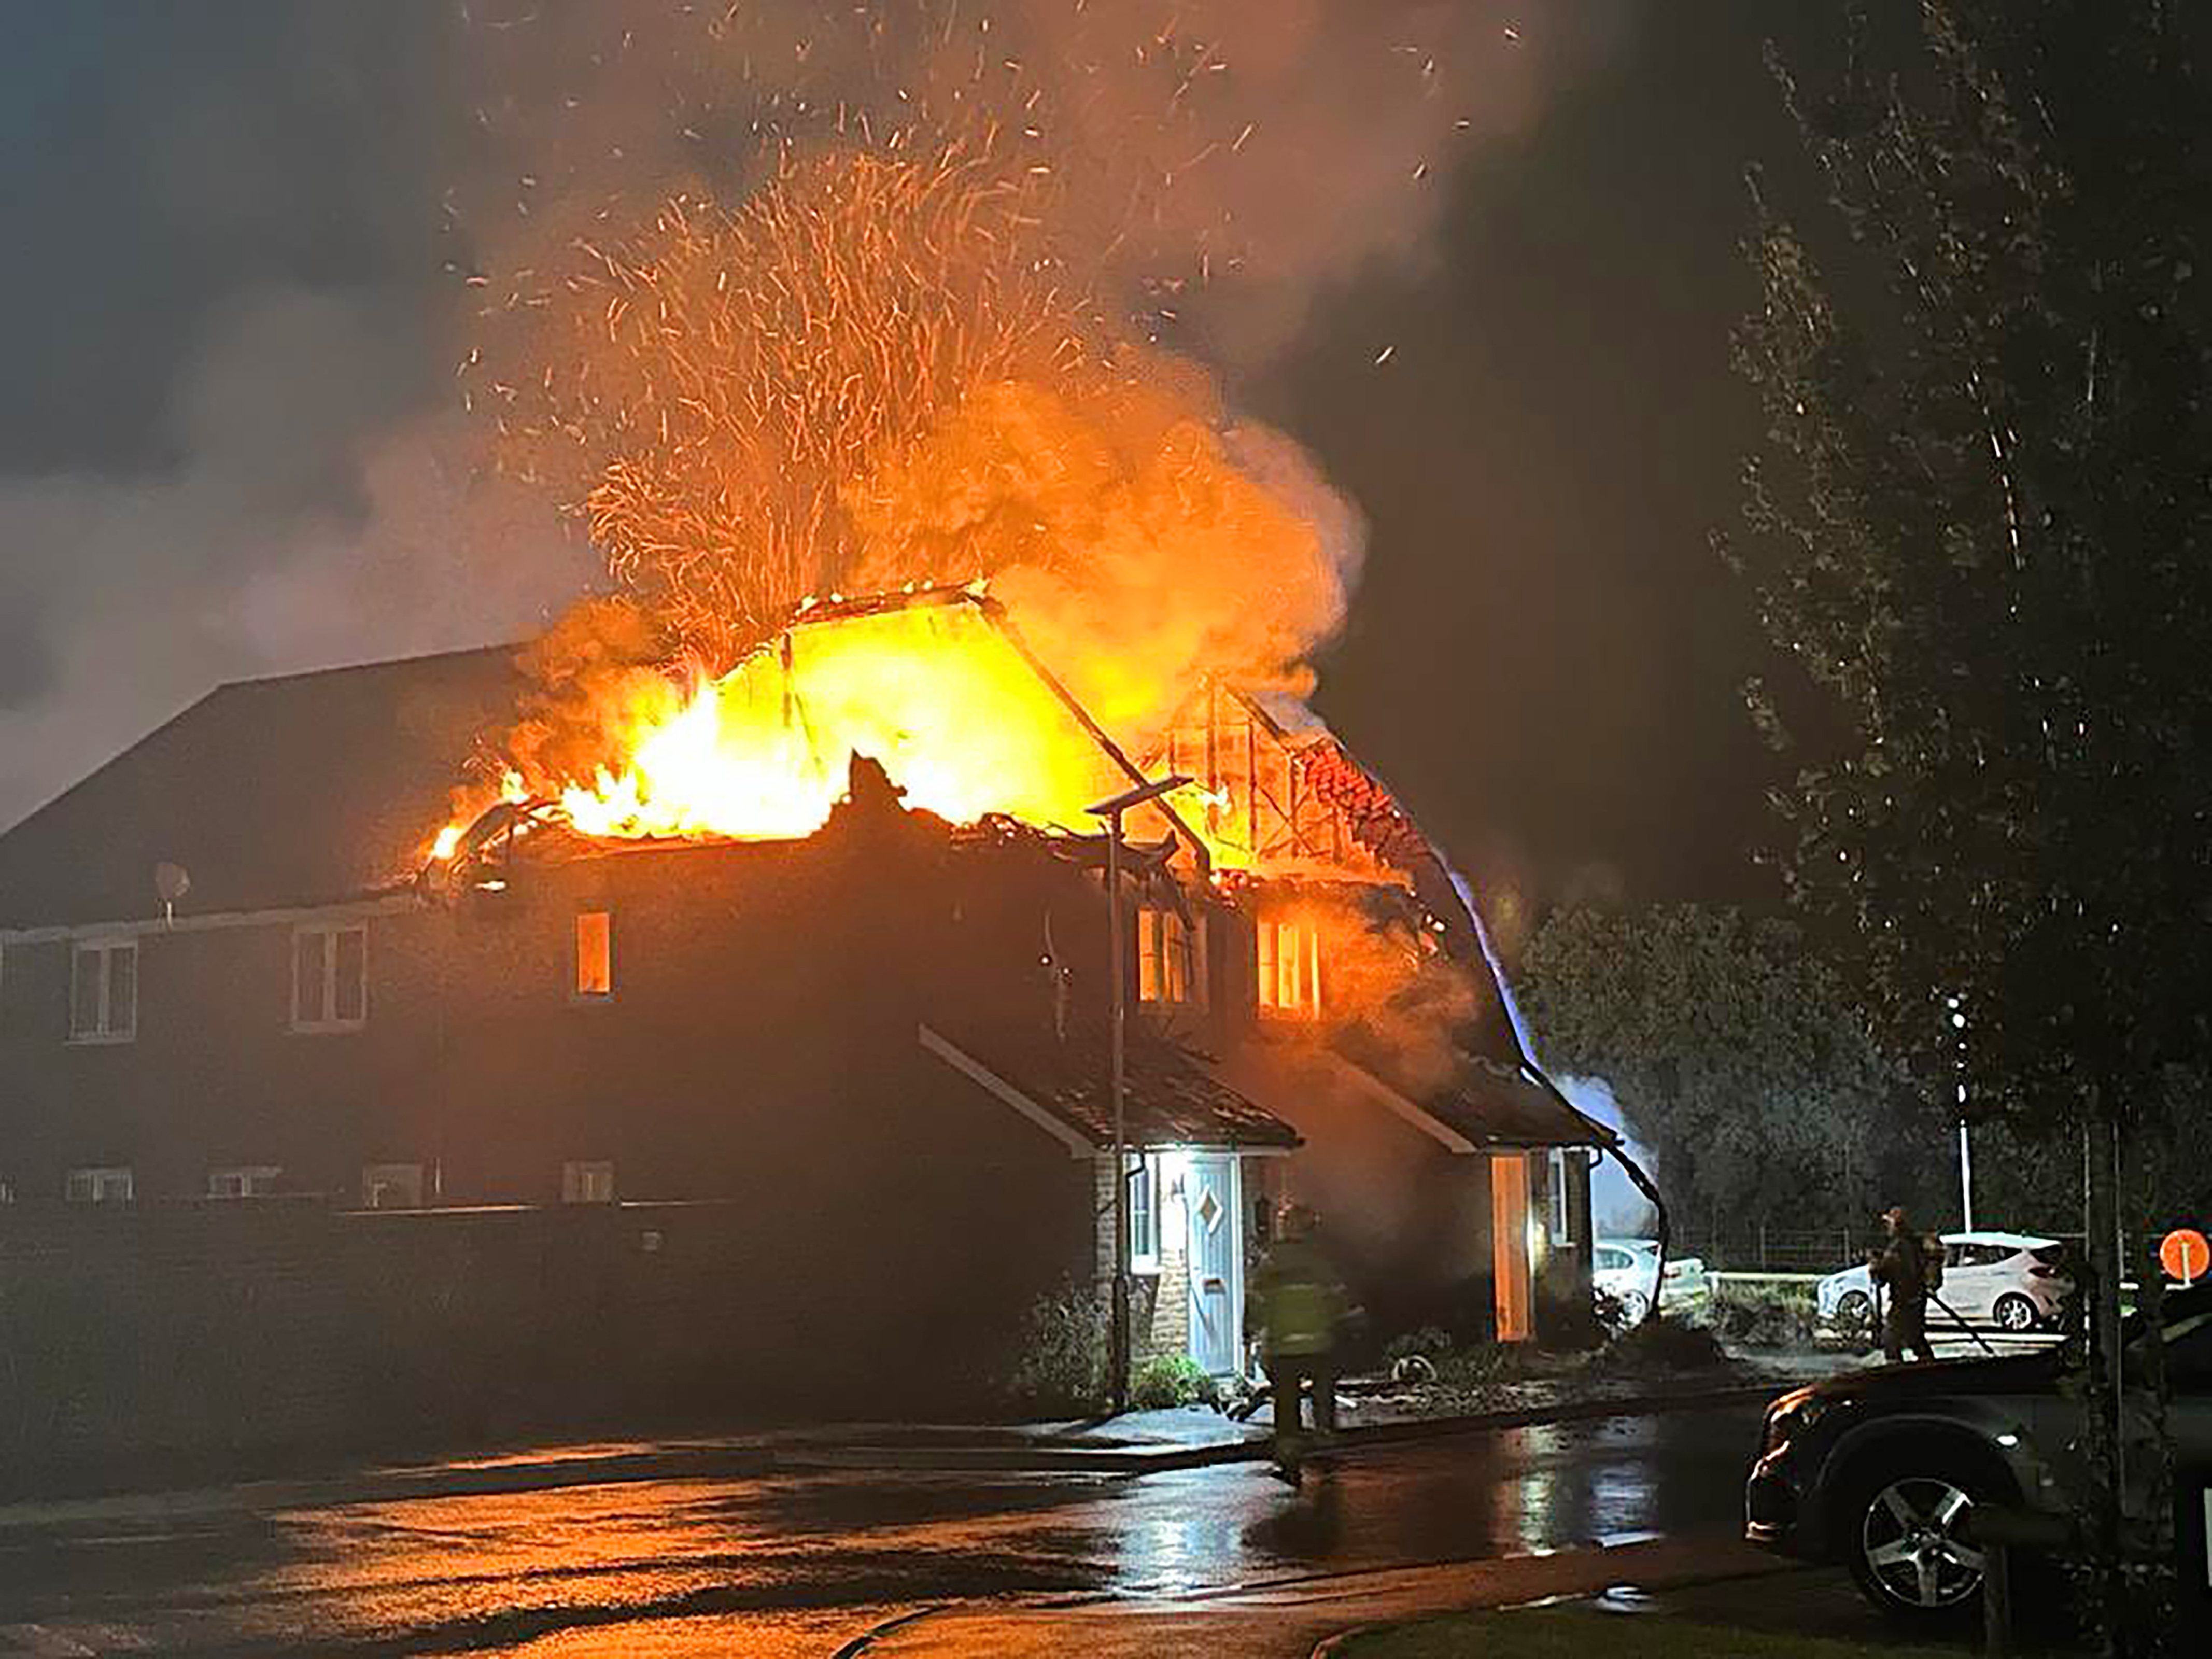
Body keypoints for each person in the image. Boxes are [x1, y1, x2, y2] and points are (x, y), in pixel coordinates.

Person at [1252, 1204, 1349, 1470]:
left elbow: (1257, 1299)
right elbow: (1337, 1296)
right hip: (1318, 1342)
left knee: (1286, 1400)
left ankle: (1288, 1452)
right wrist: (1345, 1319)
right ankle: (1324, 1432)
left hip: (1282, 1345)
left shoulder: (1271, 1260)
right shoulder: (1318, 1259)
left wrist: (1250, 1330)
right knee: (1324, 1388)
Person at [1870, 1206, 1938, 1363]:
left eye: (1889, 1224)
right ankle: (1928, 1368)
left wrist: (1876, 1267)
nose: (1887, 1228)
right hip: (1916, 1298)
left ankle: (1897, 1374)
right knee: (1915, 1337)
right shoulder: (1913, 1243)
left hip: (1904, 1300)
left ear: (1897, 1226)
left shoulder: (1899, 1247)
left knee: (1891, 1340)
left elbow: (1886, 1275)